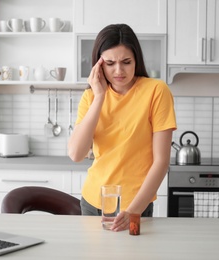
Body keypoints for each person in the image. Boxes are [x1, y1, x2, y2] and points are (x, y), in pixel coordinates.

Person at [68, 24, 177, 232]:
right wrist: (99, 96)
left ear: (136, 60)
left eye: (126, 62)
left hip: (135, 206)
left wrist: (133, 211)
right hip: (92, 204)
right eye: (110, 63)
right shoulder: (91, 96)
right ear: (99, 65)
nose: (118, 71)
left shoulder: (156, 91)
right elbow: (76, 154)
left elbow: (161, 162)